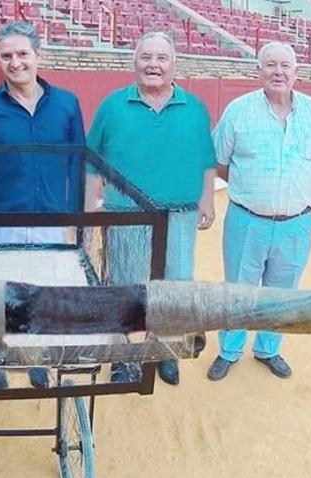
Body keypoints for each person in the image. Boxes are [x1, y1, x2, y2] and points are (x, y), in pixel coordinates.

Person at [0, 21, 86, 389]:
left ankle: (34, 358)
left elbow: (77, 163)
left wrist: (79, 222)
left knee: (42, 291)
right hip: (5, 219)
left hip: (52, 218)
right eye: (6, 56)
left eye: (22, 54)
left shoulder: (66, 104)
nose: (16, 63)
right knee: (5, 292)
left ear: (38, 56)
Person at [86, 31, 217, 386]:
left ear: (174, 66)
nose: (153, 65)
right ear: (135, 63)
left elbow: (207, 159)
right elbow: (90, 160)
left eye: (161, 58)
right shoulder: (113, 106)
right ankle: (123, 357)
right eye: (146, 57)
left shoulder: (195, 108)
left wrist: (208, 198)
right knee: (126, 284)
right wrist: (88, 209)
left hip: (180, 214)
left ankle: (163, 349)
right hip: (126, 215)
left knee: (174, 284)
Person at [208, 41, 311, 381]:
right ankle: (229, 350)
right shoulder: (238, 110)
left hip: (296, 223)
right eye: (270, 65)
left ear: (297, 72)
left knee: (283, 293)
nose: (278, 72)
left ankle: (268, 348)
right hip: (247, 220)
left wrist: (290, 194)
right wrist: (252, 189)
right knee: (238, 290)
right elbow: (220, 162)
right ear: (259, 70)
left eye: (285, 66)